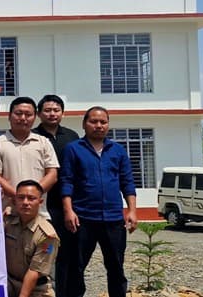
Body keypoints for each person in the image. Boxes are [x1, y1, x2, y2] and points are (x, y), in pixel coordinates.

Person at [60, 106, 138, 297]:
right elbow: (66, 181)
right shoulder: (73, 149)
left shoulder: (117, 150)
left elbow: (127, 181)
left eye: (103, 122)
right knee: (76, 267)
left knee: (116, 268)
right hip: (82, 218)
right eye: (93, 121)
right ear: (84, 124)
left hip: (113, 219)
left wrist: (132, 211)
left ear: (108, 125)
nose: (98, 125)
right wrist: (68, 211)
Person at [31, 94, 80, 296]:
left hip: (68, 206)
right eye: (48, 110)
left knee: (68, 254)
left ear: (62, 113)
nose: (52, 114)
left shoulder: (72, 137)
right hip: (42, 205)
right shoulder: (33, 136)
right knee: (42, 252)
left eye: (56, 110)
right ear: (39, 113)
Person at [0, 97, 59, 218]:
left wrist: (32, 196)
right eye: (18, 113)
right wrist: (18, 197)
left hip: (39, 214)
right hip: (8, 213)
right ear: (9, 116)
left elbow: (52, 174)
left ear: (35, 117)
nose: (23, 118)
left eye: (28, 114)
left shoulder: (43, 142)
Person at [4, 180, 59, 297]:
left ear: (40, 202)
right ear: (14, 200)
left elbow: (34, 272)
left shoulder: (47, 235)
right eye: (21, 197)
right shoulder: (7, 222)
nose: (25, 202)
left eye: (31, 198)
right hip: (9, 284)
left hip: (36, 290)